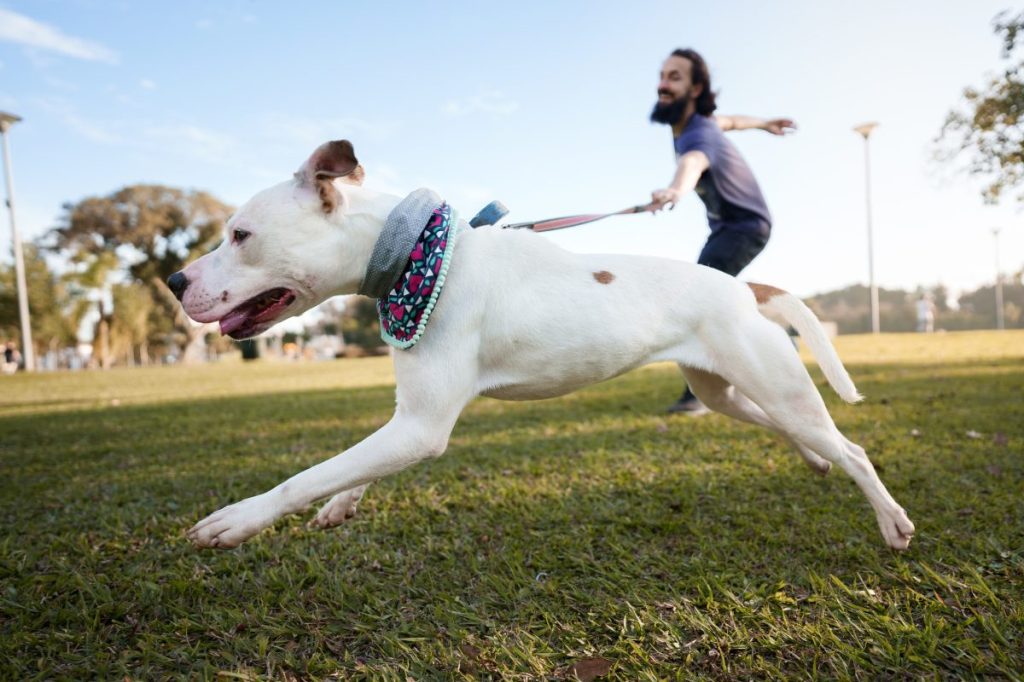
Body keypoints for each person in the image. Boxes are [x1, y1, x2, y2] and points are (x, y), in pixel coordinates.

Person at [647, 48, 795, 415]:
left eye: (675, 77)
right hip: (733, 228)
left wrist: (675, 190)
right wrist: (764, 123)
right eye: (663, 75)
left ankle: (699, 394)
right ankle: (781, 340)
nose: (663, 84)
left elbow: (693, 161)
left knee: (699, 298)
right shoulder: (701, 123)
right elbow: (732, 121)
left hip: (745, 226)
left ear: (695, 89)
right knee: (716, 299)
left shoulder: (698, 132)